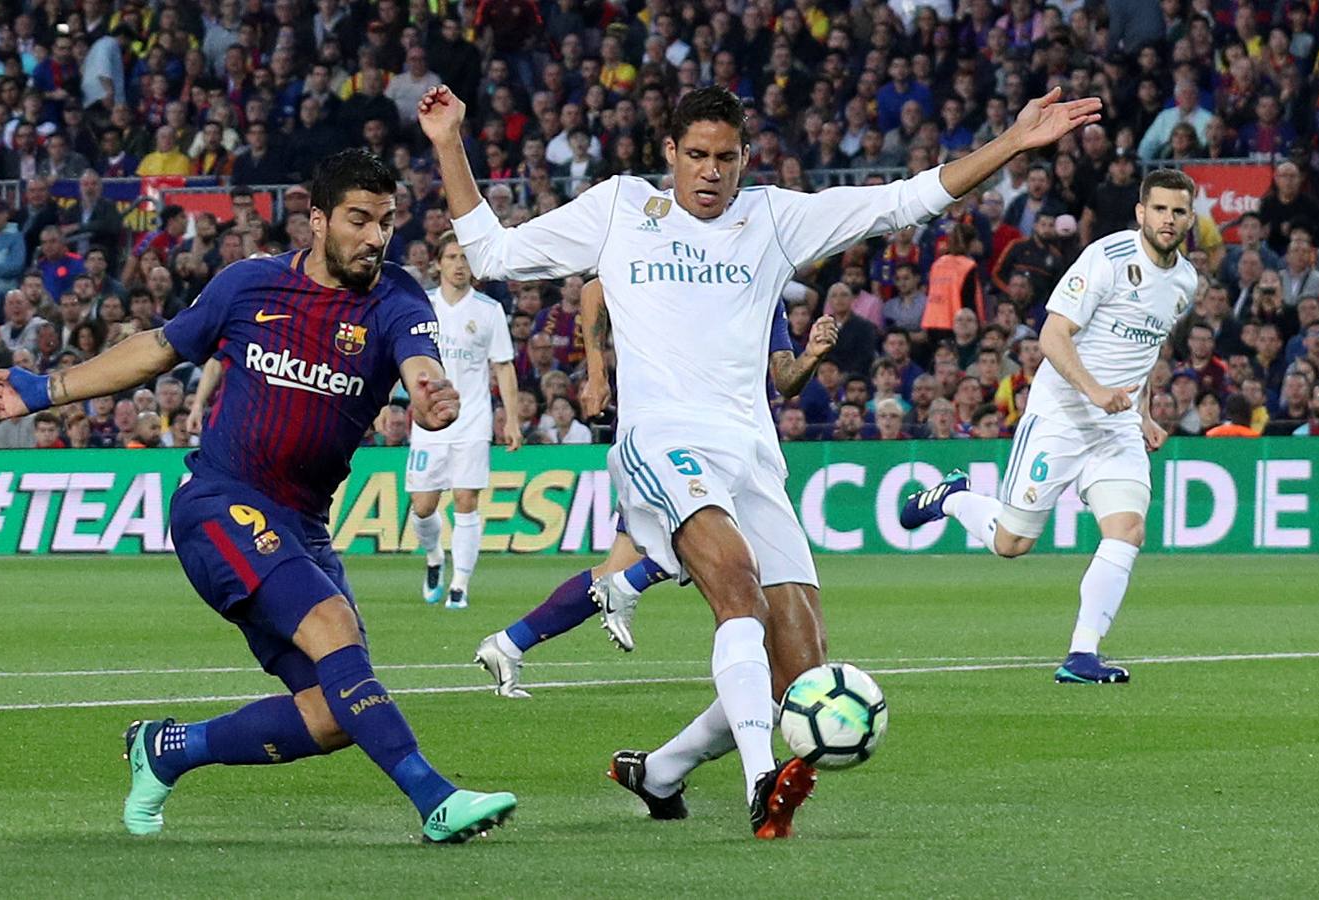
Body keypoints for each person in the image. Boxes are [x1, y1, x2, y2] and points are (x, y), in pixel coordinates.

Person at [423, 81, 1098, 836]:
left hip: (750, 456)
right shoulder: (617, 208)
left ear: (746, 159)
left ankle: (662, 771)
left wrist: (1010, 142)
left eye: (726, 158)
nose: (710, 173)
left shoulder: (773, 218)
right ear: (670, 155)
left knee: (799, 669)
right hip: (661, 443)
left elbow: (905, 200)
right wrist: (450, 142)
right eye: (697, 157)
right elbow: (492, 252)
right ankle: (759, 776)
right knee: (735, 589)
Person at [0, 149, 514, 844]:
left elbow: (417, 357)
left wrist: (430, 391)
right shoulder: (249, 286)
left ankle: (167, 749)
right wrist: (46, 389)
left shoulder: (398, 297)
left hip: (303, 528)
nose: (375, 237)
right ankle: (436, 800)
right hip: (219, 504)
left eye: (385, 221)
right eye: (359, 219)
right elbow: (159, 349)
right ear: (317, 220)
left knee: (333, 712)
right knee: (332, 628)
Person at [900, 168, 1199, 685]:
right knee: (1011, 544)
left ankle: (1082, 655)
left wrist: (1144, 412)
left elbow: (1145, 351)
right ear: (1140, 213)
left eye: (1178, 211)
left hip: (1118, 425)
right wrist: (1094, 391)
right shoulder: (1106, 260)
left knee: (1127, 528)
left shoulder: (1185, 282)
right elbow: (1052, 336)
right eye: (1160, 209)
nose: (1168, 220)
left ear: (1190, 218)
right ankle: (950, 498)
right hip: (1061, 415)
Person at [475, 286, 837, 695]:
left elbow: (784, 380)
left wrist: (811, 355)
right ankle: (631, 586)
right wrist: (597, 373)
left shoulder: (760, 286)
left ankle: (508, 644)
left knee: (621, 566)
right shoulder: (680, 264)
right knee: (706, 543)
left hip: (731, 449)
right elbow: (596, 290)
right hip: (665, 439)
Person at [405, 236, 522, 610]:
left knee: (465, 499)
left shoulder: (488, 311)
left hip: (472, 419)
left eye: (465, 258)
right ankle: (435, 557)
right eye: (452, 257)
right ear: (438, 264)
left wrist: (513, 419)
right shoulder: (420, 306)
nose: (459, 265)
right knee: (423, 507)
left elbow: (503, 366)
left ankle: (460, 585)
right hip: (428, 422)